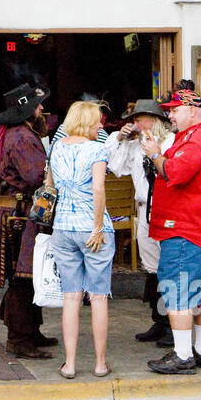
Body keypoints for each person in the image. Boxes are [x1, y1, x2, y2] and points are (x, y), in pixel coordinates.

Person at [142, 90, 201, 374]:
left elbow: (173, 173)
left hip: (188, 227)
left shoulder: (196, 141)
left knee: (176, 289)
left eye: (174, 110)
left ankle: (182, 355)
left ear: (192, 110)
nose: (169, 115)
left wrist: (155, 153)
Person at [0, 84, 56, 359]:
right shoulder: (22, 136)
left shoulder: (5, 135)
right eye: (38, 105)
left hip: (9, 212)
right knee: (23, 276)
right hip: (20, 216)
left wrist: (3, 183)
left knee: (26, 275)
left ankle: (31, 332)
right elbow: (36, 177)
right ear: (27, 111)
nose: (42, 108)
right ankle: (20, 339)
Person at [49, 101, 115, 379]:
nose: (101, 126)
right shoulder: (96, 149)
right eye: (97, 122)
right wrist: (98, 227)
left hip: (63, 226)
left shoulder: (56, 147)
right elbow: (98, 189)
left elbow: (49, 187)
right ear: (86, 123)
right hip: (92, 227)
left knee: (71, 297)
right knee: (98, 297)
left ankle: (70, 363)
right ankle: (100, 363)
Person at [108, 99, 175, 346]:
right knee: (153, 267)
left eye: (138, 119)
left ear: (153, 119)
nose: (134, 123)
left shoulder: (170, 142)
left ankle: (172, 325)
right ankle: (159, 321)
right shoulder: (135, 145)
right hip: (143, 209)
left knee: (168, 266)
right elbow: (116, 168)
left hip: (166, 210)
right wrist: (120, 139)